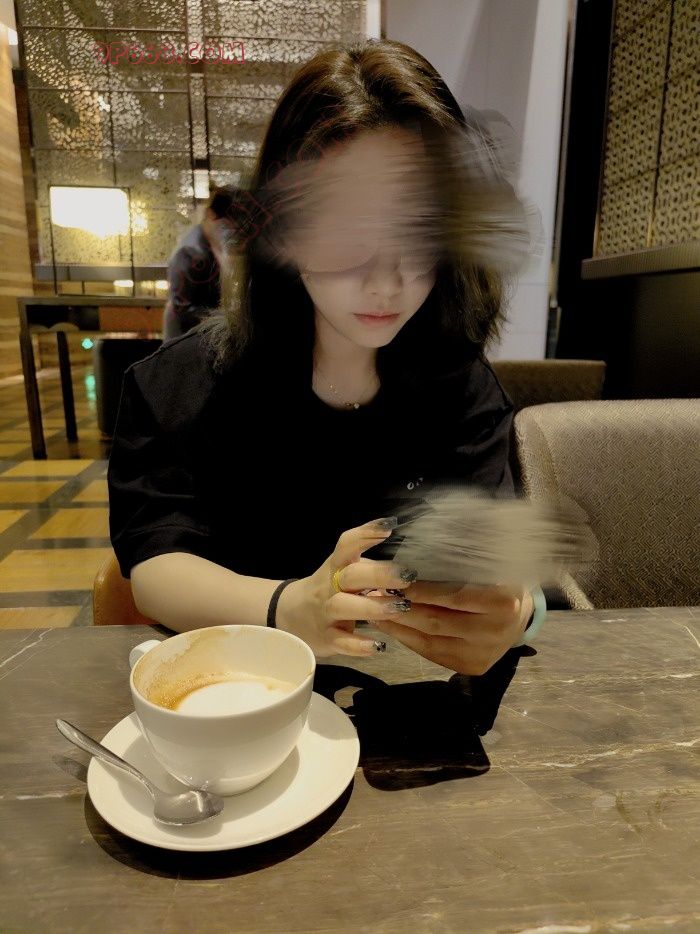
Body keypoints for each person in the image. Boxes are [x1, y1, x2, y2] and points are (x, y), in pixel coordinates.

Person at [108, 38, 546, 677]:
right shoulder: (177, 387)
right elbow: (156, 563)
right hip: (234, 690)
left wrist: (518, 609)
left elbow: (498, 560)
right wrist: (287, 608)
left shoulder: (461, 387)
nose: (387, 281)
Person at [162, 186, 244, 341]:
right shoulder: (189, 252)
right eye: (225, 225)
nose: (229, 231)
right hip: (184, 335)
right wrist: (225, 315)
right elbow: (182, 309)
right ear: (210, 215)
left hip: (203, 333)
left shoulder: (214, 243)